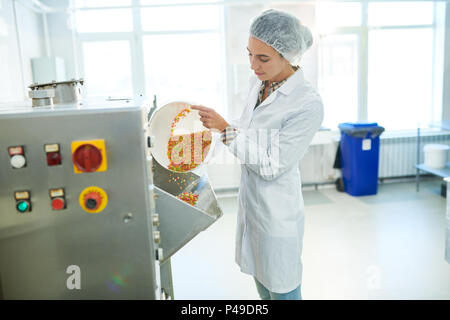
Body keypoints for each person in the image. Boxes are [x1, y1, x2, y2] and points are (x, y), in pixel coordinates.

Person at [192, 9, 323, 300]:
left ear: (288, 56)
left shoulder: (307, 104)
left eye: (262, 58)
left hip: (278, 212)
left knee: (283, 288)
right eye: (250, 54)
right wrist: (207, 136)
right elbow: (246, 128)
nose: (253, 65)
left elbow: (272, 165)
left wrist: (226, 130)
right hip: (253, 205)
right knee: (263, 286)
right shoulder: (259, 83)